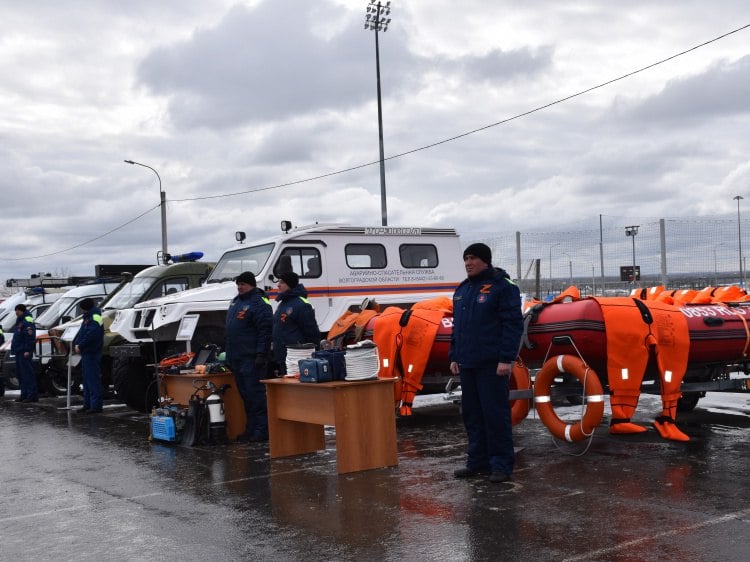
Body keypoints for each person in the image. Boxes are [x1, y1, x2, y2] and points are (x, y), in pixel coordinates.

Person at [449, 243, 524, 483]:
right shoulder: (462, 290)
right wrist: (454, 355)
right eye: (466, 259)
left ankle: (501, 465)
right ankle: (477, 462)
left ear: (485, 260)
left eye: (472, 258)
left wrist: (506, 358)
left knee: (495, 415)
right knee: (472, 415)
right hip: (468, 362)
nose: (468, 263)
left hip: (492, 365)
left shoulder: (503, 287)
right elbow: (457, 327)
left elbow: (512, 324)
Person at [225, 271, 273, 442]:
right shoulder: (236, 302)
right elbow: (231, 332)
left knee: (256, 396)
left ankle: (261, 431)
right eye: (238, 284)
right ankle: (250, 429)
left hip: (252, 359)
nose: (239, 287)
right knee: (245, 396)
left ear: (251, 285)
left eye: (242, 284)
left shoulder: (258, 303)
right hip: (237, 358)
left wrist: (261, 354)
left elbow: (265, 331)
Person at [272, 271, 321, 376]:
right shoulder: (283, 304)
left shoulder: (301, 305)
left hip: (297, 358)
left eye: (282, 282)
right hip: (283, 356)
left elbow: (311, 332)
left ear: (289, 284)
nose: (278, 285)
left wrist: (313, 353)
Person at [73, 298, 105, 413]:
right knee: (86, 380)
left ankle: (96, 406)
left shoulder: (94, 317)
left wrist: (80, 345)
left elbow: (92, 334)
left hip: (92, 352)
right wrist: (77, 343)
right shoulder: (88, 317)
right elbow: (82, 333)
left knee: (93, 380)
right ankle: (87, 404)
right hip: (86, 352)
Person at [12, 304, 38, 403]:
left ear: (22, 311)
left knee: (27, 374)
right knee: (21, 375)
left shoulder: (27, 321)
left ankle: (31, 396)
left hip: (24, 352)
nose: (16, 312)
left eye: (17, 310)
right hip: (19, 351)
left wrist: (27, 350)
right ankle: (24, 395)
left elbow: (30, 337)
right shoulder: (20, 321)